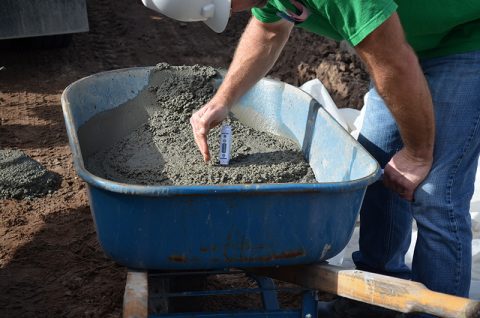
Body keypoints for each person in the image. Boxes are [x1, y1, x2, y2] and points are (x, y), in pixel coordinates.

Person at [143, 0, 480, 311]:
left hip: (464, 36)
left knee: (436, 193)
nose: (230, 14)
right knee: (376, 172)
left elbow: (395, 62)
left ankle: (439, 312)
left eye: (226, 6)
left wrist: (418, 154)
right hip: (398, 45)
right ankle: (377, 301)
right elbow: (269, 30)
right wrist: (223, 100)